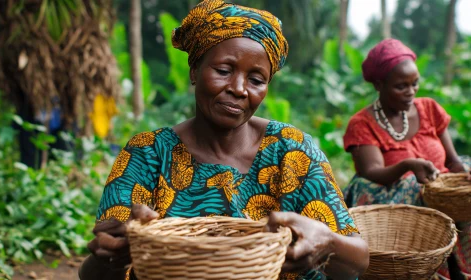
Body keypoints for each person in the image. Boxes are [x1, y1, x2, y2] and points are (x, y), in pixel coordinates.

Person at [79, 1, 369, 279]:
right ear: (194, 71)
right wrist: (114, 256)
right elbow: (95, 270)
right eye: (223, 71)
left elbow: (357, 260)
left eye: (256, 79)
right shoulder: (147, 154)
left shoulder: (292, 151)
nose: (239, 89)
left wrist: (328, 242)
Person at [342, 38, 471, 279]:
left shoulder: (429, 109)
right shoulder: (363, 123)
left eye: (415, 83)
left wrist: (463, 174)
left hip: (442, 195)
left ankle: (461, 269)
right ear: (379, 84)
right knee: (413, 184)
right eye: (401, 86)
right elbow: (370, 172)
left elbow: (453, 161)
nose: (411, 92)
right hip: (397, 201)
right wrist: (407, 166)